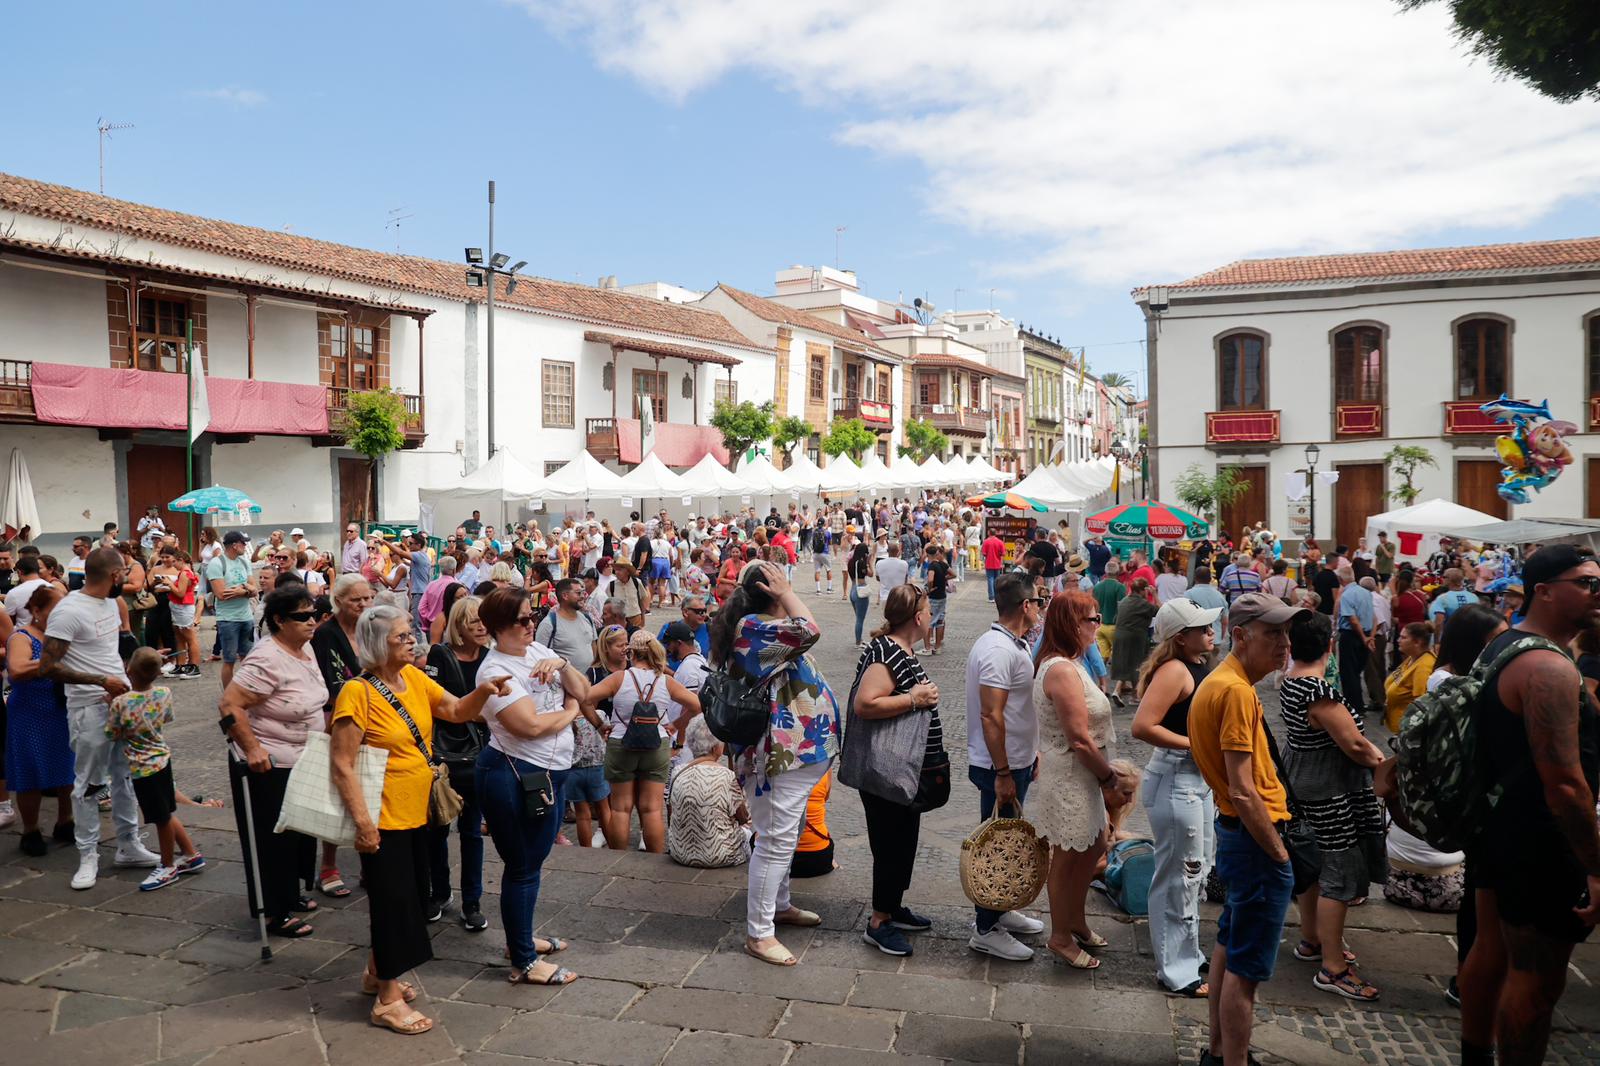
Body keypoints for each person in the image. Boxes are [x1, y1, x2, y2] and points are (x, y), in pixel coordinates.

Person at [330, 604, 511, 1033]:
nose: (413, 641)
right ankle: (387, 1000)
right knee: (395, 905)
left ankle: (377, 972)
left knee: (407, 899)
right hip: (383, 816)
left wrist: (484, 691)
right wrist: (363, 823)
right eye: (402, 637)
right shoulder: (357, 692)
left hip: (418, 812)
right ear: (377, 645)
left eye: (412, 633)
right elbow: (341, 763)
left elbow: (455, 711)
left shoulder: (412, 677)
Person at [1456, 545, 1600, 1066]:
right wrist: (1595, 866)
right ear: (1543, 590)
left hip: (1496, 827)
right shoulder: (1549, 669)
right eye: (1585, 583)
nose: (1596, 593)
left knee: (1489, 949)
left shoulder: (1503, 646)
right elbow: (1564, 783)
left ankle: (1475, 1057)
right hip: (1538, 840)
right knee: (1535, 980)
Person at [1188, 592, 1307, 1066]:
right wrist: (1279, 855)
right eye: (1273, 633)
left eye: (1286, 633)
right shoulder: (1235, 691)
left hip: (1239, 835)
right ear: (1240, 635)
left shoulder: (1226, 682)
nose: (1284, 644)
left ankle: (1219, 1052)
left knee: (1228, 944)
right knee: (1246, 968)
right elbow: (1242, 789)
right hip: (1255, 839)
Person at [709, 561, 840, 967]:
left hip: (795, 755)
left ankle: (779, 906)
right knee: (775, 841)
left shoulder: (760, 626)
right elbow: (811, 630)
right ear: (771, 591)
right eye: (782, 585)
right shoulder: (753, 627)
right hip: (776, 758)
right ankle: (759, 934)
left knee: (789, 832)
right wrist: (787, 593)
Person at [472, 587, 594, 987]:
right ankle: (523, 960)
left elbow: (585, 689)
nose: (531, 625)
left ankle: (520, 938)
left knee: (533, 862)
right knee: (522, 866)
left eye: (532, 616)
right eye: (523, 620)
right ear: (499, 627)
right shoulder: (494, 673)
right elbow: (530, 725)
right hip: (515, 773)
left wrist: (559, 663)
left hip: (549, 770)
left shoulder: (539, 654)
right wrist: (572, 710)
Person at [1279, 611, 1388, 1002]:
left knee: (1312, 863)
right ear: (1330, 646)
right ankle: (1333, 967)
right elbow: (1356, 745)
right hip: (1328, 787)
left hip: (1304, 778)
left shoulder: (1290, 681)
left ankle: (1312, 939)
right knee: (1338, 869)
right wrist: (1386, 769)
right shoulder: (1318, 691)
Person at [42, 547, 160, 889]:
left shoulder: (111, 602)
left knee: (124, 778)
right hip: (88, 707)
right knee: (89, 784)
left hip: (119, 704)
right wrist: (99, 681)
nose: (126, 578)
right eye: (123, 572)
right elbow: (47, 667)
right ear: (113, 575)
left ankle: (128, 844)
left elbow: (107, 653)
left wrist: (129, 677)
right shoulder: (68, 612)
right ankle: (88, 855)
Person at [217, 584, 327, 937]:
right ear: (279, 620)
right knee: (272, 838)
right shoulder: (266, 658)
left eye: (314, 614)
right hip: (269, 762)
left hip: (302, 756)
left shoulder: (304, 647)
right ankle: (273, 912)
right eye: (303, 616)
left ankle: (290, 893)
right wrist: (252, 749)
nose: (312, 621)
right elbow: (230, 705)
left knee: (296, 834)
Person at [1031, 590, 1130, 970]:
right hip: (1072, 777)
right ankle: (1059, 935)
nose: (1098, 625)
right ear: (1071, 624)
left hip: (1082, 775)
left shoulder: (1072, 663)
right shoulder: (1059, 669)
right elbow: (1078, 737)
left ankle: (1076, 922)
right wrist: (1109, 778)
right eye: (1092, 619)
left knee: (1092, 847)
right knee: (1069, 857)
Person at [845, 584, 943, 957]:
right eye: (928, 610)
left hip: (901, 769)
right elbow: (865, 704)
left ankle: (894, 906)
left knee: (904, 841)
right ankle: (878, 921)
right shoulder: (886, 652)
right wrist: (913, 699)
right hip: (885, 770)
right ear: (917, 618)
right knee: (889, 844)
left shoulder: (897, 648)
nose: (931, 614)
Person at [1132, 597, 1223, 998]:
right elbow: (1142, 726)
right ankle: (1176, 969)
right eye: (1202, 628)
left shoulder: (1196, 665)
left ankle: (1188, 952)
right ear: (1180, 638)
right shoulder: (1174, 670)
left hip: (1193, 781)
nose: (1210, 632)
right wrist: (1195, 744)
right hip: (1175, 779)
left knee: (1196, 869)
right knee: (1178, 875)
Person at [965, 572, 1048, 960]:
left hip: (1014, 759)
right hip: (1001, 763)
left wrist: (1030, 753)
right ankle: (986, 926)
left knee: (1005, 836)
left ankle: (998, 908)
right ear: (1025, 606)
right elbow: (991, 715)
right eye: (1038, 601)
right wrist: (1002, 772)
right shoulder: (999, 650)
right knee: (997, 842)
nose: (1041, 607)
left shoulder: (1008, 645)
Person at [584, 632, 699, 852]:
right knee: (652, 809)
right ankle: (654, 860)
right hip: (657, 745)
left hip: (620, 743)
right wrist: (676, 725)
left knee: (620, 808)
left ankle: (619, 859)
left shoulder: (619, 678)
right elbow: (696, 705)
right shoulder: (665, 680)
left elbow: (585, 699)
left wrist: (600, 725)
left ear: (632, 652)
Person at [106, 648, 204, 891]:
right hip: (162, 758)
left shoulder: (121, 702)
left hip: (143, 768)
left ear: (129, 670)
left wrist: (110, 706)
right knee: (167, 811)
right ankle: (191, 853)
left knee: (161, 817)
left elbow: (112, 733)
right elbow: (167, 717)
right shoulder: (164, 692)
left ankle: (167, 865)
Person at [421, 595, 491, 929]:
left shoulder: (492, 659)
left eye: (484, 621)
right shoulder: (440, 655)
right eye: (474, 621)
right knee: (437, 828)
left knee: (472, 832)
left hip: (478, 755)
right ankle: (439, 891)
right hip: (444, 755)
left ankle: (472, 901)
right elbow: (433, 703)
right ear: (459, 625)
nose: (481, 627)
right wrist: (471, 712)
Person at [310, 574, 374, 899]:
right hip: (335, 719)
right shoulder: (325, 634)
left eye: (367, 598)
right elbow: (331, 685)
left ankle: (368, 862)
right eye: (356, 600)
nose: (364, 605)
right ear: (338, 602)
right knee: (336, 793)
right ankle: (328, 866)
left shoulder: (370, 629)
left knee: (367, 791)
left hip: (371, 719)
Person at [6, 584, 74, 855]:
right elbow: (17, 669)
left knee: (67, 768)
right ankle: (30, 829)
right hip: (30, 712)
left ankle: (65, 820)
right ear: (36, 611)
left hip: (61, 708)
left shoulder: (64, 636)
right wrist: (52, 659)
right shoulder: (22, 637)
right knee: (30, 771)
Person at [667, 715, 750, 868]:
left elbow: (671, 814)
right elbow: (743, 818)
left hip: (680, 853)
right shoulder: (728, 777)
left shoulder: (677, 772)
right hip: (721, 855)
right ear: (715, 747)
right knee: (749, 831)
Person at [208, 531, 259, 688]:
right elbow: (222, 594)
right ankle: (229, 695)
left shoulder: (244, 562)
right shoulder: (217, 563)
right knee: (229, 660)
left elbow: (255, 589)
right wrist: (246, 590)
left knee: (248, 659)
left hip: (246, 617)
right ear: (235, 545)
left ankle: (247, 690)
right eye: (244, 543)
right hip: (228, 619)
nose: (245, 546)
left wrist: (240, 590)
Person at [1110, 577, 1157, 704]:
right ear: (1143, 590)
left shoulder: (1124, 601)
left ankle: (1117, 690)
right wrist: (1155, 595)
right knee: (1138, 664)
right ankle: (1136, 695)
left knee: (1125, 663)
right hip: (1135, 636)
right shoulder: (1143, 604)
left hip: (1119, 634)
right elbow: (1160, 611)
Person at [1383, 621, 1436, 733]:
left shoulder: (1424, 666)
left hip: (1408, 730)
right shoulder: (1412, 658)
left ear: (1417, 642)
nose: (1398, 640)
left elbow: (1421, 703)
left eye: (1403, 638)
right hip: (1399, 726)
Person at [844, 532, 875, 645]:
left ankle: (859, 639)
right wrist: (870, 563)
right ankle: (858, 641)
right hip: (860, 590)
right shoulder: (862, 563)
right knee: (860, 619)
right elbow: (871, 574)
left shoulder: (851, 562)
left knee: (858, 618)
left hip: (852, 589)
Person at [924, 545, 951, 656]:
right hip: (942, 595)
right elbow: (953, 574)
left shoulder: (932, 566)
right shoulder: (943, 564)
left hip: (934, 596)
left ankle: (928, 647)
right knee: (940, 621)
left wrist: (930, 588)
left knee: (929, 621)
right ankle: (938, 646)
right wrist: (944, 578)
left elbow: (930, 579)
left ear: (928, 555)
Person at [981, 526, 1007, 601]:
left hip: (989, 563)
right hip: (997, 563)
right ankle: (996, 596)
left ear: (989, 533)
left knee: (990, 579)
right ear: (996, 533)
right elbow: (1003, 553)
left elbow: (984, 553)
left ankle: (991, 597)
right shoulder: (1000, 542)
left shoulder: (986, 541)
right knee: (997, 580)